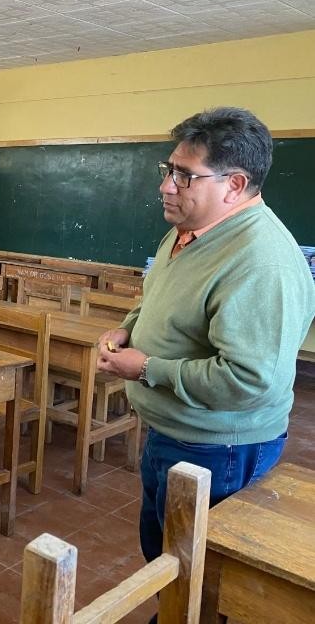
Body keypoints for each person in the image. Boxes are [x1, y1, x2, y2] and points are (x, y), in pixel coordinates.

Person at [96, 107, 315, 567]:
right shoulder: (188, 230)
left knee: (197, 572)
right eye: (168, 169)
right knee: (165, 558)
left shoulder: (261, 260)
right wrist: (130, 326)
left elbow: (250, 379)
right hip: (175, 432)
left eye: (183, 175)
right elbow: (158, 294)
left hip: (219, 449)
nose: (166, 185)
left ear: (234, 185)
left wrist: (147, 368)